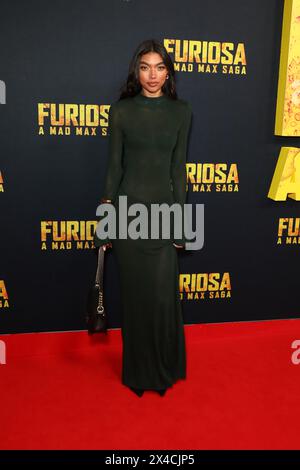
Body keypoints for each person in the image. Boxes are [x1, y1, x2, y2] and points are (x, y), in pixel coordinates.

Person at [94, 39, 193, 398]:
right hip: (128, 216)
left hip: (164, 215)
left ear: (169, 73)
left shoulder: (182, 111)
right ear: (137, 71)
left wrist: (182, 224)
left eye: (160, 67)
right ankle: (138, 373)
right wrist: (105, 223)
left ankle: (165, 367)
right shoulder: (121, 111)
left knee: (162, 298)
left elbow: (178, 171)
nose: (153, 75)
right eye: (145, 67)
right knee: (136, 300)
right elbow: (114, 168)